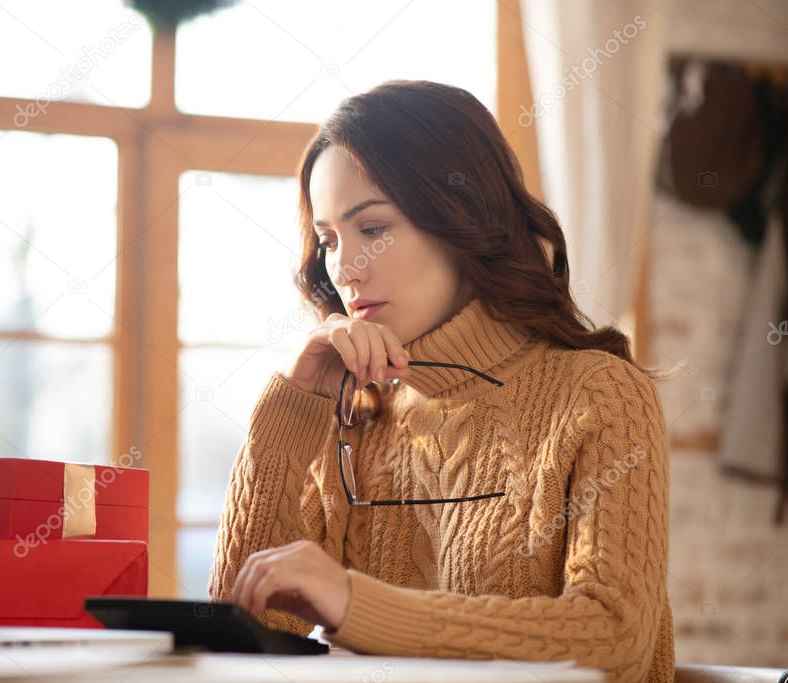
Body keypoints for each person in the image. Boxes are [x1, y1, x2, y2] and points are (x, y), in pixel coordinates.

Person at [208, 80, 674, 683]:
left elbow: (614, 641)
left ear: (462, 218)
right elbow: (239, 639)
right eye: (328, 240)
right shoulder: (349, 412)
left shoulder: (599, 395)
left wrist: (358, 605)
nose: (344, 268)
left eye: (373, 228)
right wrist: (293, 405)